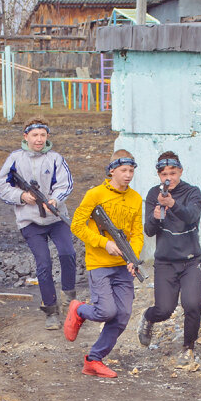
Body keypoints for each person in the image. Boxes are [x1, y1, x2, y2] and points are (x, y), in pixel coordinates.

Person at [63, 151, 143, 378]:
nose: (128, 175)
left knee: (123, 315)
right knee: (106, 311)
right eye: (124, 171)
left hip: (123, 266)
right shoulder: (95, 194)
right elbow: (77, 225)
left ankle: (93, 360)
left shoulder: (136, 199)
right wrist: (103, 243)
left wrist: (133, 257)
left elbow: (137, 233)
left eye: (131, 171)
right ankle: (78, 309)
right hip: (99, 263)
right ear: (112, 171)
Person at [0, 118, 76, 330]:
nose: (39, 139)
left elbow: (66, 184)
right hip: (29, 220)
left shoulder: (56, 158)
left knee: (68, 253)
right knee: (44, 263)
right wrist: (21, 196)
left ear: (47, 137)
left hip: (56, 217)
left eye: (42, 135)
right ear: (26, 137)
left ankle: (69, 298)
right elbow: (2, 186)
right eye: (34, 135)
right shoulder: (15, 158)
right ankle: (50, 309)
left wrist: (54, 200)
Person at [137, 151, 201, 356]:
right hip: (165, 262)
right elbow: (149, 231)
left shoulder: (193, 192)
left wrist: (172, 204)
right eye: (164, 173)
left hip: (191, 261)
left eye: (173, 173)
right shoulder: (152, 194)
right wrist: (156, 217)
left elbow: (192, 217)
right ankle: (148, 317)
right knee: (164, 310)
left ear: (181, 171)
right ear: (159, 175)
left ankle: (188, 347)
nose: (169, 178)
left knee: (192, 304)